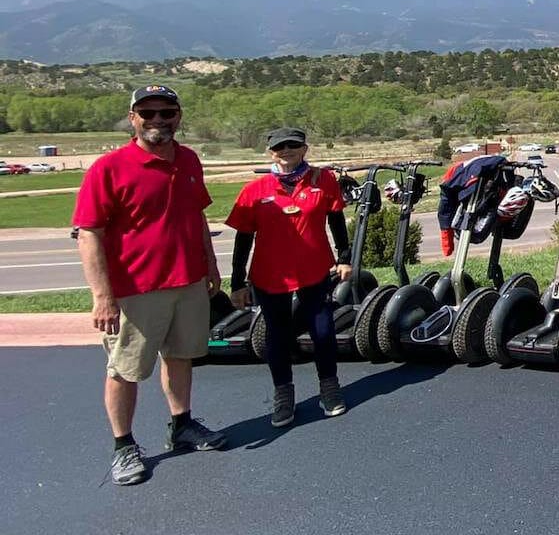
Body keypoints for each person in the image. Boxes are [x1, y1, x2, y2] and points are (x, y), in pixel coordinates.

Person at [74, 85, 227, 487]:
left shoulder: (189, 160)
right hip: (134, 291)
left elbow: (195, 217)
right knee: (125, 370)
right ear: (133, 118)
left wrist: (210, 265)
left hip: (188, 282)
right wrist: (102, 296)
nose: (158, 120)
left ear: (178, 116)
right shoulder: (109, 168)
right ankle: (123, 446)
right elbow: (88, 233)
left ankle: (183, 426)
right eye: (149, 113)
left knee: (180, 356)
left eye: (167, 112)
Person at [225, 127, 352, 428]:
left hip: (315, 269)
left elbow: (337, 222)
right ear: (271, 152)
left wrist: (344, 259)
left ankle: (329, 387)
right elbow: (243, 240)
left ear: (305, 149)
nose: (287, 151)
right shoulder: (255, 190)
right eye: (280, 147)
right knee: (278, 335)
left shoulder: (323, 181)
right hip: (271, 275)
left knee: (322, 331)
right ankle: (283, 394)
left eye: (293, 146)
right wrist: (237, 282)